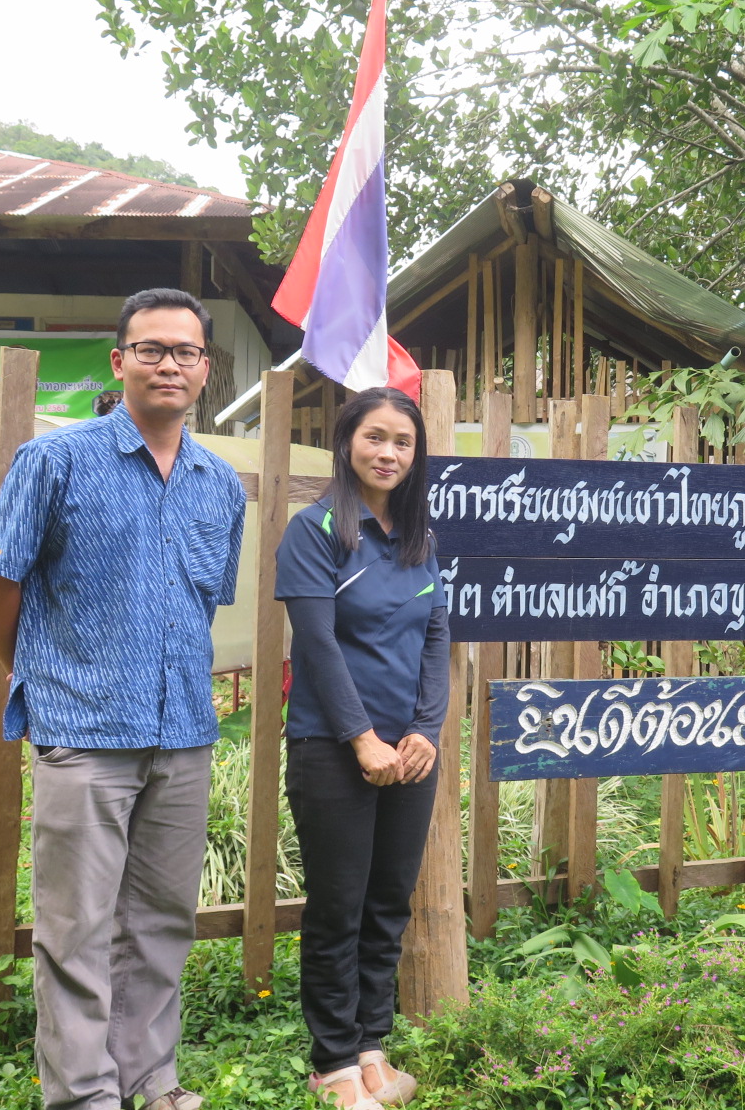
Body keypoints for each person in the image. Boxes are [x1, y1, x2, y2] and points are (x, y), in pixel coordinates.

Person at [0, 289, 246, 1110]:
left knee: (162, 922)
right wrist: (43, 673)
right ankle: (84, 1095)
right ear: (119, 361)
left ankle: (150, 1080)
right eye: (152, 349)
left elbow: (198, 607)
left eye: (186, 352)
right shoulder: (55, 461)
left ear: (204, 369)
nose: (170, 364)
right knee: (77, 929)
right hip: (83, 732)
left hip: (184, 733)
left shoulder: (218, 485)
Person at [274, 387, 449, 1109]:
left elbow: (435, 636)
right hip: (331, 748)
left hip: (406, 753)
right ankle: (334, 1065)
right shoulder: (314, 531)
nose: (389, 453)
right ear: (348, 442)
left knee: (387, 904)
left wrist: (424, 730)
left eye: (403, 443)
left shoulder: (418, 538)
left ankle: (372, 1047)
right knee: (338, 909)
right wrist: (363, 739)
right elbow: (316, 645)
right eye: (376, 438)